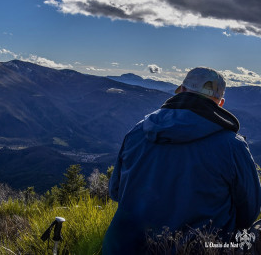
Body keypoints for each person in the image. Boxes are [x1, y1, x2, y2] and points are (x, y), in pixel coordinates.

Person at [102, 67, 261, 254]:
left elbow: (115, 192)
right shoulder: (233, 146)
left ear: (181, 90)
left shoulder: (137, 132)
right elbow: (249, 212)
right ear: (220, 103)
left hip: (123, 248)